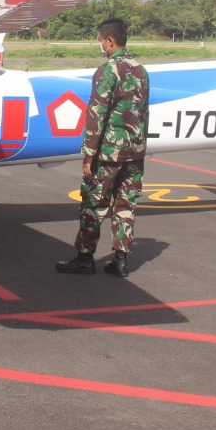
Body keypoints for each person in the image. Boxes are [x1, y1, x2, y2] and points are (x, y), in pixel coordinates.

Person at [56, 17, 150, 278]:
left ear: (110, 40)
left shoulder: (107, 70)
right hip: (135, 152)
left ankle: (85, 257)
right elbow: (144, 113)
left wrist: (88, 153)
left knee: (93, 204)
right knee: (125, 204)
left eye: (101, 41)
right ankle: (120, 260)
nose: (101, 46)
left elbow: (96, 113)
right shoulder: (141, 70)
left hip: (108, 152)